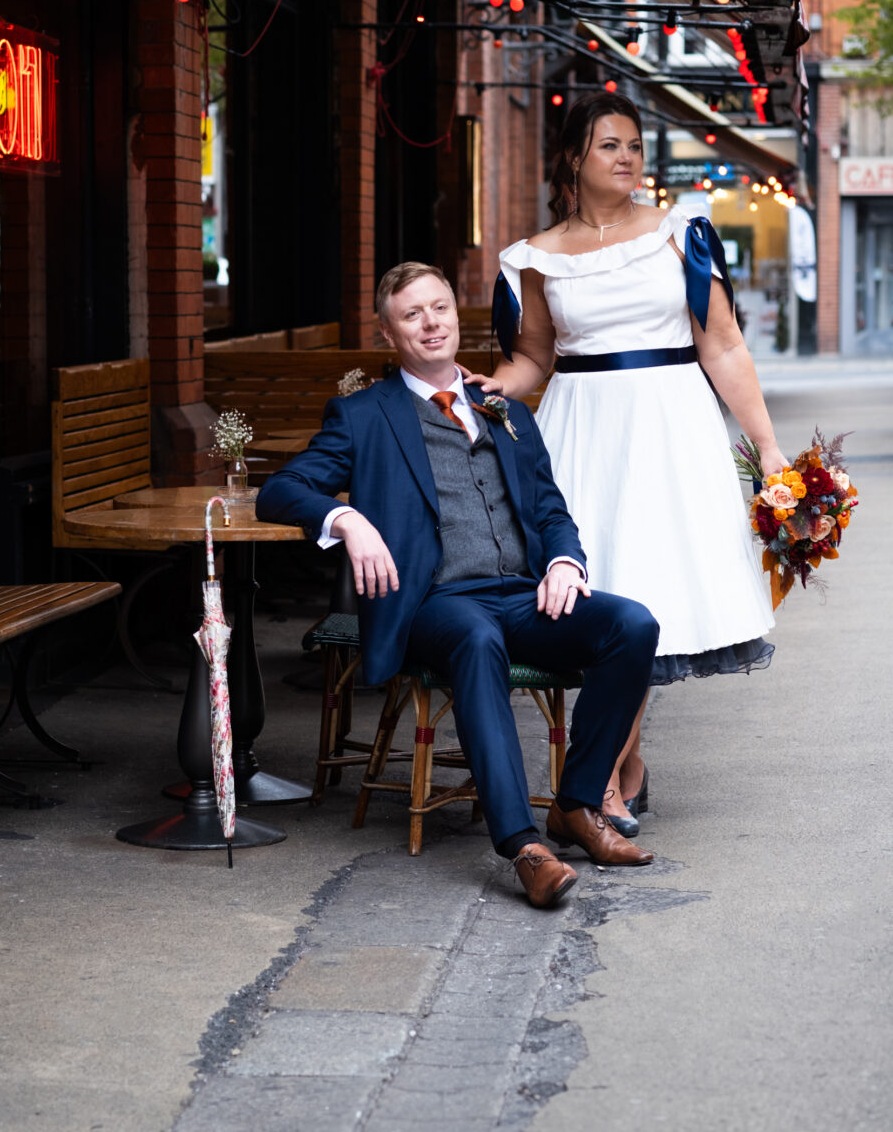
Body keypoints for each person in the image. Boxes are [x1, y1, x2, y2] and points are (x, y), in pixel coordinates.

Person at [256, 261, 660, 908]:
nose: (431, 323)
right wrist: (347, 518)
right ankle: (524, 846)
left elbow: (552, 511)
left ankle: (578, 805)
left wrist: (564, 564)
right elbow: (279, 490)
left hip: (522, 597)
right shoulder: (364, 415)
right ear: (389, 334)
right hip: (434, 605)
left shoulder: (506, 411)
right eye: (412, 314)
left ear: (455, 315)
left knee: (631, 624)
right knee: (475, 640)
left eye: (439, 307)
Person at [470, 92, 785, 835]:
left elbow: (725, 345)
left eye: (636, 146)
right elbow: (535, 358)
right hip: (583, 428)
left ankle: (607, 774)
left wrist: (767, 446)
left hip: (670, 427)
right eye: (611, 145)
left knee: (652, 589)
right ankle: (617, 769)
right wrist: (490, 387)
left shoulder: (681, 234)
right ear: (574, 157)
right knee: (601, 593)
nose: (628, 158)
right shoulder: (535, 258)